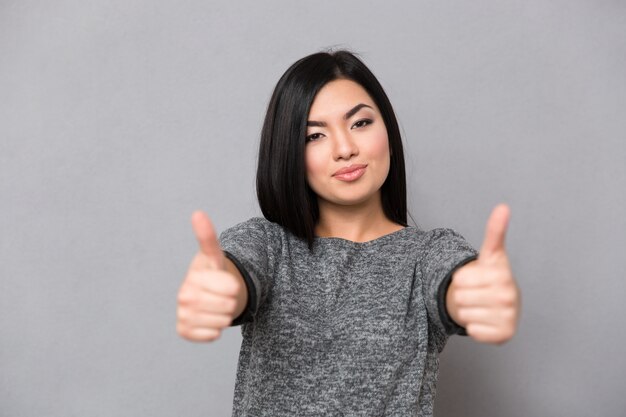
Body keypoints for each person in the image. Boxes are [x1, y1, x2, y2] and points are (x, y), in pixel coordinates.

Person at [176, 50, 520, 416]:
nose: (345, 149)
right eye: (315, 136)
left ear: (386, 128)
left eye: (360, 123)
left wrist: (474, 293)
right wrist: (220, 291)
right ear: (289, 151)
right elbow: (237, 274)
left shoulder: (427, 254)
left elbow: (455, 282)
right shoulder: (268, 246)